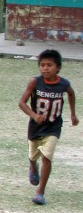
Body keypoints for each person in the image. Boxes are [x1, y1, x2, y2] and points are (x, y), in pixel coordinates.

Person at [18, 49, 77, 205]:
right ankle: (32, 166)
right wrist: (34, 115)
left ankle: (40, 192)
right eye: (42, 65)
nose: (45, 68)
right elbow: (22, 103)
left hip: (53, 126)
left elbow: (71, 94)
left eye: (49, 65)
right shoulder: (35, 82)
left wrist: (72, 114)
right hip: (35, 128)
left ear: (58, 67)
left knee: (47, 157)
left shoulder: (63, 84)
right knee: (33, 156)